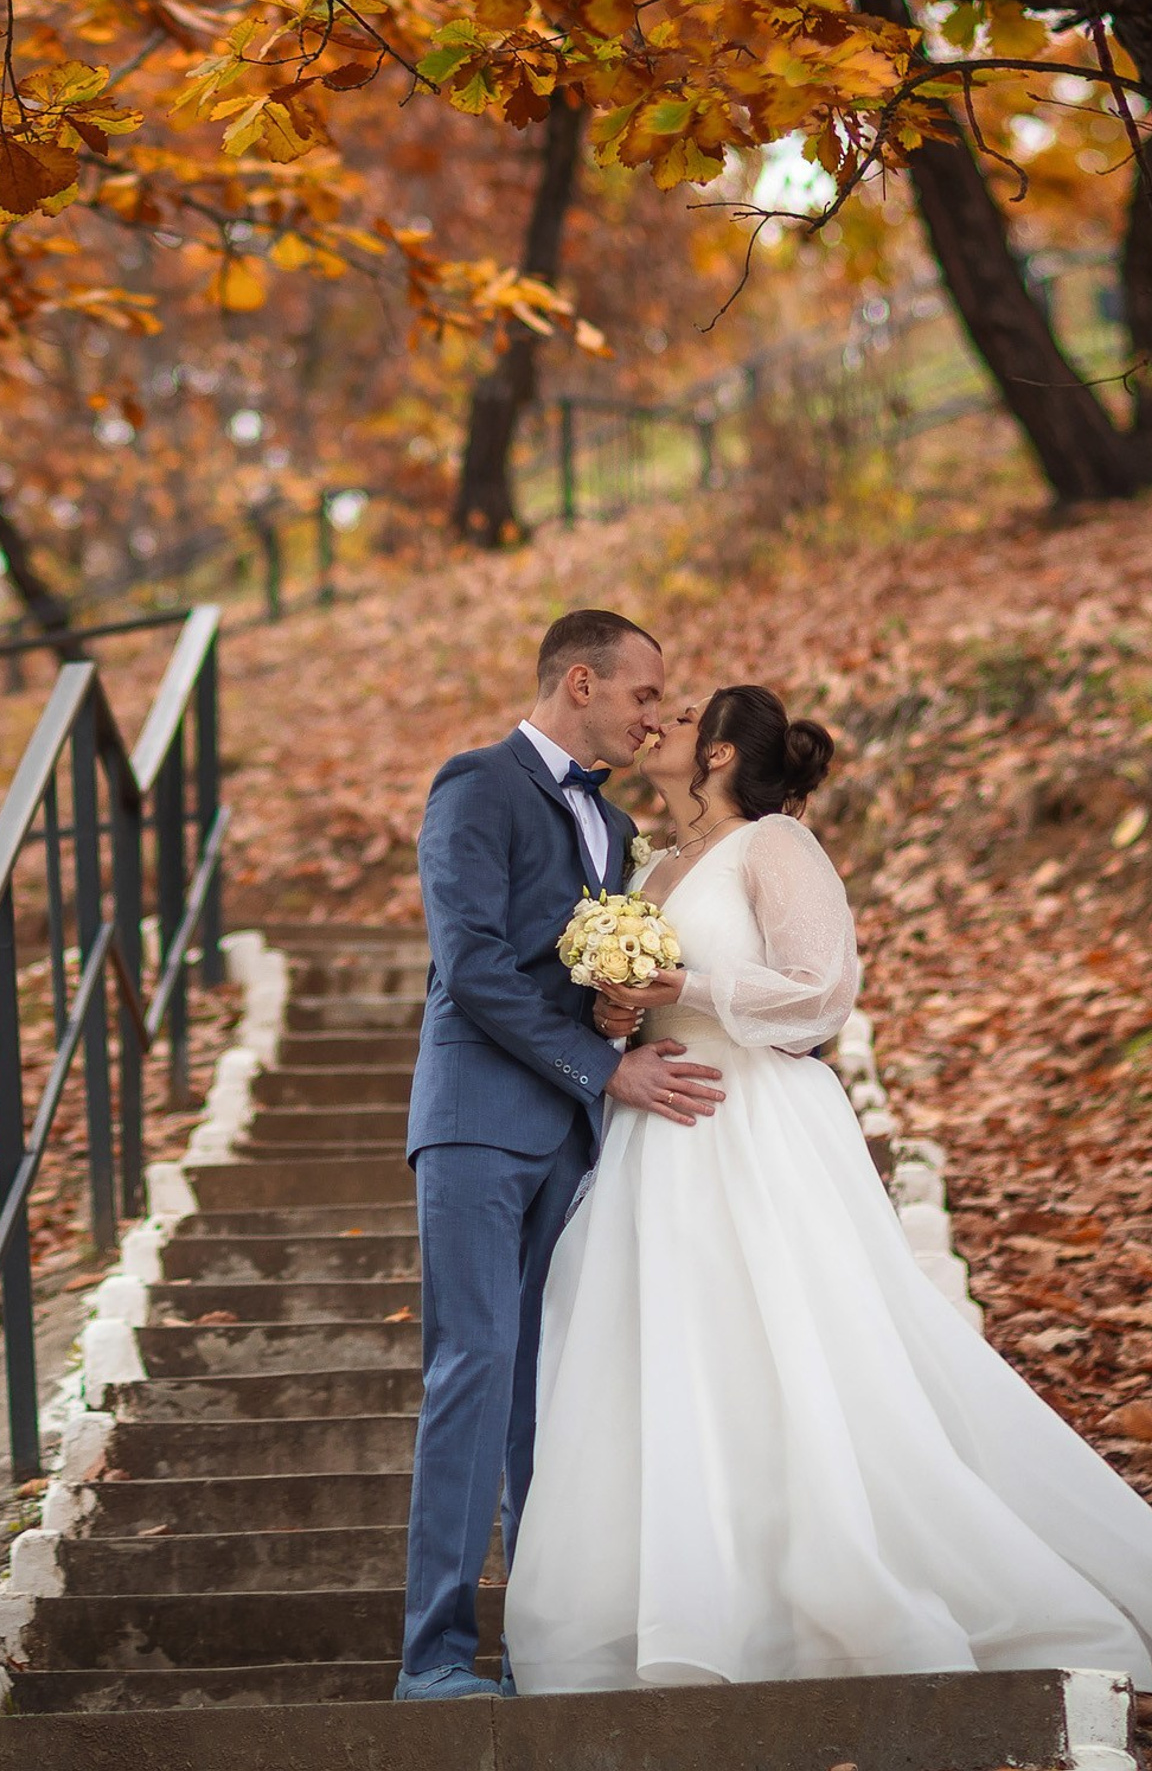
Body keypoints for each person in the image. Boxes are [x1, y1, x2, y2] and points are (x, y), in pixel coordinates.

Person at [506, 684, 1152, 1690]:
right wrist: (617, 1012)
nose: (656, 727)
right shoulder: (652, 864)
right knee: (676, 1355)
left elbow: (820, 991)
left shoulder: (774, 845)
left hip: (753, 1118)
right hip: (653, 1132)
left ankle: (845, 1591)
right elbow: (644, 1007)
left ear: (717, 754)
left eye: (676, 720)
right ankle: (697, 1599)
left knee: (799, 1346)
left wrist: (679, 985)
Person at [397, 610, 728, 1702]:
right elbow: (473, 965)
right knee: (474, 1370)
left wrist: (623, 1014)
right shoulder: (475, 784)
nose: (654, 717)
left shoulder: (617, 820)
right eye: (642, 696)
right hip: (481, 1121)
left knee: (550, 1389)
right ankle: (436, 1657)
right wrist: (605, 1069)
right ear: (579, 681)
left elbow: (584, 968)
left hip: (576, 1141)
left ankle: (532, 1650)